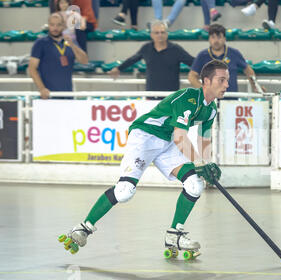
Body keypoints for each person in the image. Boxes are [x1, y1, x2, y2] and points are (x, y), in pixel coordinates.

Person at [58, 60, 229, 259]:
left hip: (167, 142)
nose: (227, 84)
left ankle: (174, 234)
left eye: (228, 80)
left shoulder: (211, 109)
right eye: (222, 80)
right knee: (124, 192)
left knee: (194, 185)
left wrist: (206, 163)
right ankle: (82, 229)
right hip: (145, 137)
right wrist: (200, 164)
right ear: (206, 81)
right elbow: (180, 136)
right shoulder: (189, 98)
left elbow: (204, 138)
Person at [108, 21, 194, 92]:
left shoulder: (176, 49)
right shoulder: (146, 48)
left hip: (170, 97)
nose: (160, 35)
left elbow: (192, 62)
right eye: (156, 33)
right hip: (151, 95)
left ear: (167, 34)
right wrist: (118, 68)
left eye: (162, 32)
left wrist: (206, 70)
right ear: (151, 35)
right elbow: (132, 60)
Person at [188, 24, 264, 94]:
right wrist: (204, 90)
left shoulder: (234, 53)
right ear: (209, 39)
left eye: (219, 37)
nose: (216, 41)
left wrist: (256, 87)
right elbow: (192, 76)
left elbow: (248, 70)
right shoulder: (202, 55)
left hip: (231, 100)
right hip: (210, 102)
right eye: (213, 37)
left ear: (224, 39)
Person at [28, 13, 89, 99]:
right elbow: (32, 68)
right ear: (48, 25)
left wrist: (72, 44)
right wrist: (42, 89)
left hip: (68, 95)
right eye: (52, 25)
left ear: (63, 26)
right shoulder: (40, 43)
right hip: (48, 95)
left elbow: (84, 61)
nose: (55, 28)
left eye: (58, 25)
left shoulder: (70, 42)